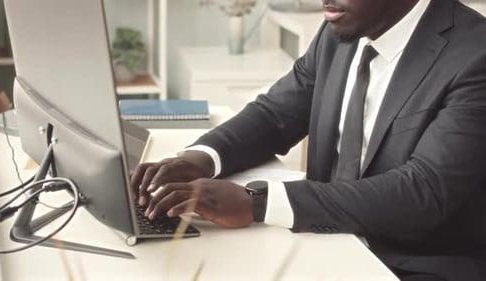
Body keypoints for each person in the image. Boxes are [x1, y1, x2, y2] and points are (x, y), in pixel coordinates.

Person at [131, 0, 486, 280]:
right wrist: (199, 159)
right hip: (327, 241)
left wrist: (258, 204)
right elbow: (274, 115)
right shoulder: (341, 29)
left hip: (414, 265)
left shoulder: (475, 55)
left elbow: (423, 192)